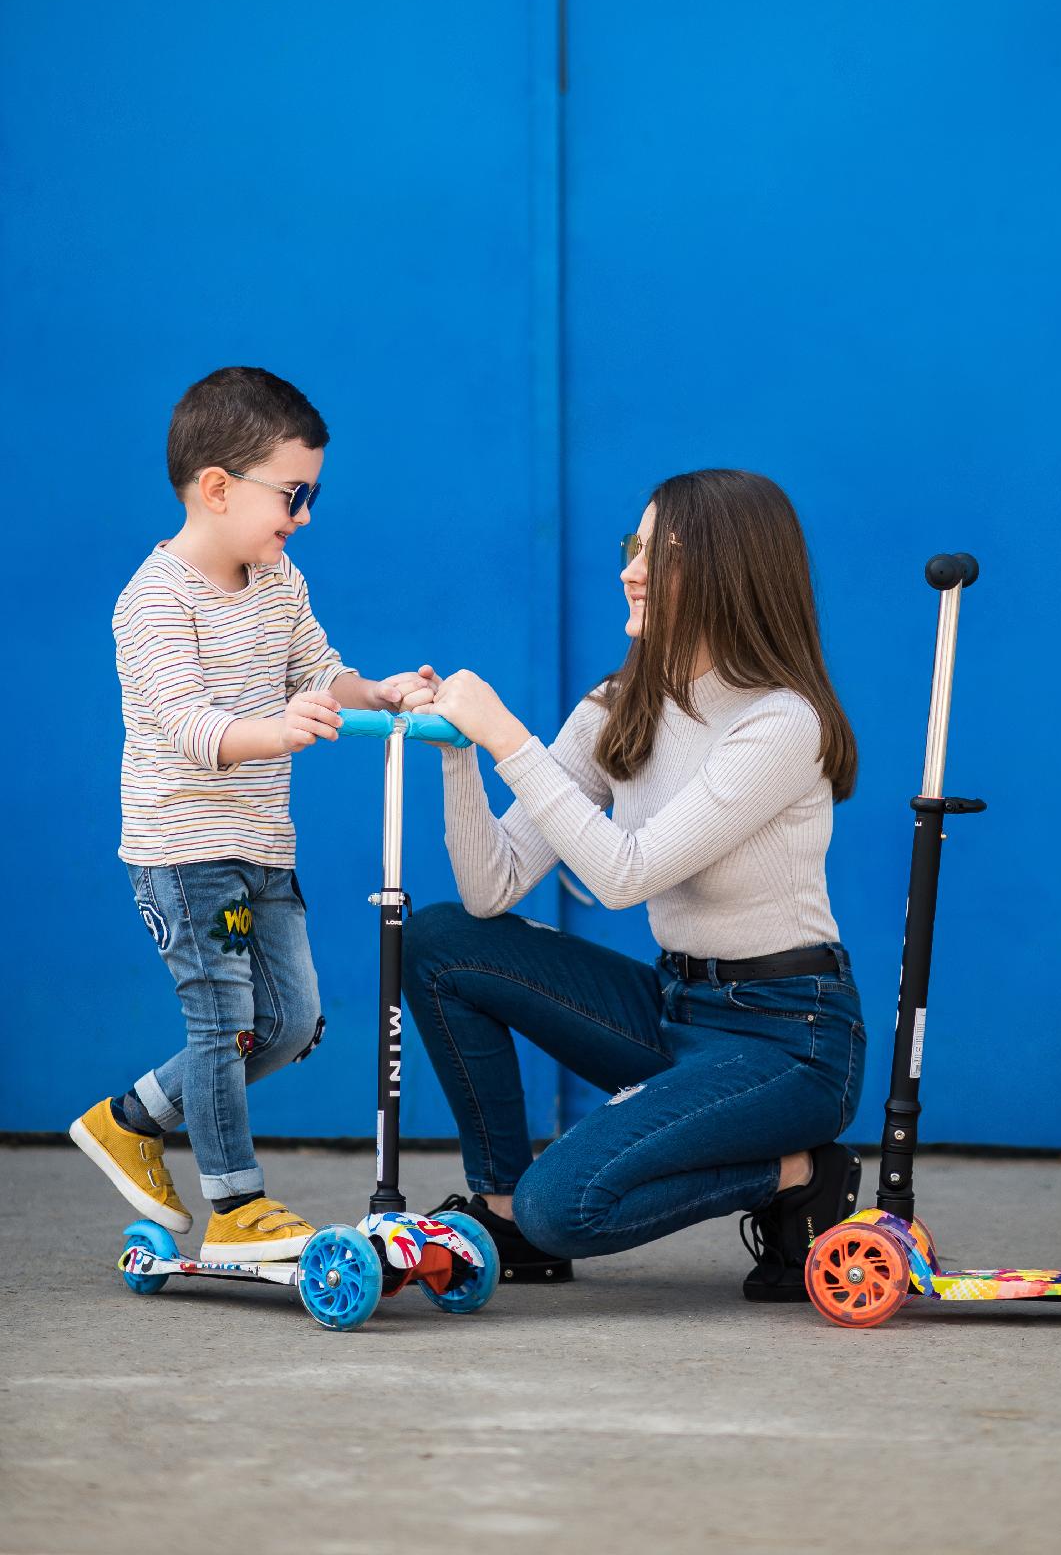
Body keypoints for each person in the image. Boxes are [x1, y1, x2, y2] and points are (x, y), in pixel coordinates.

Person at [403, 467, 867, 1302]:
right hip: (674, 1008)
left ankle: (797, 1171)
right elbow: (490, 889)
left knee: (569, 1204)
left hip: (786, 1039)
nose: (630, 569)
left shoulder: (779, 722)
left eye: (662, 553)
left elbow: (624, 874)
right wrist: (458, 751)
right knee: (440, 941)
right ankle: (504, 1211)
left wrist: (507, 736)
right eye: (633, 546)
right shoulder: (622, 703)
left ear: (732, 570)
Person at [70, 366, 431, 1263]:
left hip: (262, 844)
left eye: (311, 496)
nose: (303, 515)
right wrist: (276, 731)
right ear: (219, 488)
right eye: (293, 494)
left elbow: (319, 672)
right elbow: (191, 728)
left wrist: (377, 693)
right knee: (222, 1024)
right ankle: (235, 1205)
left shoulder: (279, 580)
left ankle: (127, 1122)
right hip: (183, 850)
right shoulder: (153, 601)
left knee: (293, 1023)